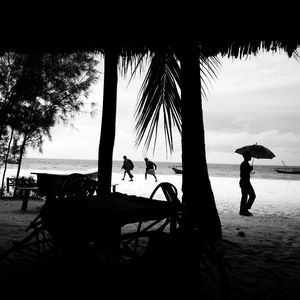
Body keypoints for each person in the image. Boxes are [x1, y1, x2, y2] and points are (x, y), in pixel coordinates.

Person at [239, 151, 256, 216]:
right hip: (245, 182)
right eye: (249, 156)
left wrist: (250, 169)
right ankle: (244, 209)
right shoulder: (244, 164)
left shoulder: (245, 164)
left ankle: (243, 210)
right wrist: (250, 169)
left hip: (245, 182)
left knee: (245, 197)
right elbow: (244, 174)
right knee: (251, 196)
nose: (251, 157)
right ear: (246, 156)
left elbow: (246, 172)